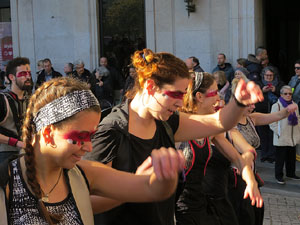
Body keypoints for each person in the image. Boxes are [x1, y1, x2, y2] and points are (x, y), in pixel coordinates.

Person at [84, 48, 263, 225]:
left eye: (183, 95)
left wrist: (239, 102)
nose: (180, 103)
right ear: (150, 86)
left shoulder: (167, 121)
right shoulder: (110, 131)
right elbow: (89, 202)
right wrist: (137, 184)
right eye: (175, 94)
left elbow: (219, 123)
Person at [0, 77, 185, 225]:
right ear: (48, 133)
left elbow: (150, 189)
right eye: (80, 137)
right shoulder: (6, 182)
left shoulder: (84, 174)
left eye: (91, 136)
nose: (89, 147)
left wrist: (165, 176)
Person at [175, 72, 262, 225]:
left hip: (207, 202)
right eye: (215, 93)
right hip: (183, 208)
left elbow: (237, 159)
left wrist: (251, 181)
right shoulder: (179, 126)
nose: (218, 98)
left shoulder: (210, 131)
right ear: (200, 97)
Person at [227, 78, 297, 225]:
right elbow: (245, 151)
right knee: (243, 216)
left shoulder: (252, 118)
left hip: (251, 174)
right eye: (250, 103)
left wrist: (288, 110)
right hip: (235, 179)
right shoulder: (229, 125)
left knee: (255, 215)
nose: (253, 106)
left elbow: (276, 116)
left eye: (254, 103)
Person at [0, 57, 33, 163]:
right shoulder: (2, 99)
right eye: (23, 74)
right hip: (5, 152)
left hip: (28, 151)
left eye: (29, 73)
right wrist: (16, 142)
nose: (28, 77)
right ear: (11, 77)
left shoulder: (31, 100)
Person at [269, 85, 300, 184]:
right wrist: (278, 132)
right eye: (285, 93)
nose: (288, 95)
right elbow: (272, 121)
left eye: (290, 93)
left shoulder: (294, 105)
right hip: (281, 136)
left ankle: (291, 173)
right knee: (280, 158)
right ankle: (279, 175)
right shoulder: (276, 106)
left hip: (292, 136)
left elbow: (298, 118)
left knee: (291, 157)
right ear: (281, 94)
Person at [256, 66, 285, 163]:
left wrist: (275, 90)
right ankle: (264, 155)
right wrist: (262, 91)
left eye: (270, 75)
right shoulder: (258, 84)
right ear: (263, 75)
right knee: (263, 135)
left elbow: (286, 95)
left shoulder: (280, 84)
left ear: (274, 75)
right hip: (261, 112)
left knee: (273, 134)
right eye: (266, 75)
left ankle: (272, 156)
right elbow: (253, 95)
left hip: (275, 113)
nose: (268, 77)